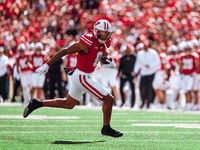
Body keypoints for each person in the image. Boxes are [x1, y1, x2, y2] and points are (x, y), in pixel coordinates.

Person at [23, 19, 123, 137]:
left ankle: (37, 104)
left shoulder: (106, 42)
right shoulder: (87, 41)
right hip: (82, 76)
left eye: (107, 34)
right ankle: (106, 128)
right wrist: (47, 65)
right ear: (96, 32)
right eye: (103, 33)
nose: (105, 36)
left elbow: (100, 56)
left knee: (68, 104)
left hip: (82, 75)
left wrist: (107, 61)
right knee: (109, 99)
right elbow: (65, 51)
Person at [134, 40, 161, 109]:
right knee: (142, 88)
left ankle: (149, 103)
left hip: (151, 72)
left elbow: (157, 62)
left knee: (149, 88)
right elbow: (137, 63)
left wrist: (150, 65)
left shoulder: (153, 53)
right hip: (143, 72)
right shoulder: (140, 53)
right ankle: (143, 101)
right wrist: (135, 71)